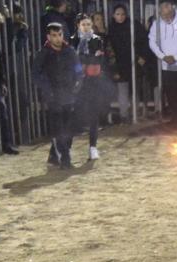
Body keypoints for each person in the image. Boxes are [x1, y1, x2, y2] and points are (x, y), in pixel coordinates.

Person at [33, 23, 80, 169]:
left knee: (69, 128)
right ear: (48, 36)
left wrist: (78, 82)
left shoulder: (70, 51)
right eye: (54, 35)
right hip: (53, 96)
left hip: (69, 94)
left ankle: (55, 156)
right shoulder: (43, 54)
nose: (58, 38)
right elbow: (36, 74)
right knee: (59, 129)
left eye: (59, 35)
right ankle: (65, 158)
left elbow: (78, 68)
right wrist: (47, 89)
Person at [72, 13, 112, 160]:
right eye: (84, 24)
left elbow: (99, 59)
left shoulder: (97, 40)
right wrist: (87, 59)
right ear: (78, 25)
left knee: (94, 114)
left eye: (89, 24)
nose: (87, 27)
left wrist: (84, 61)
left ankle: (93, 147)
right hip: (76, 83)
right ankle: (67, 149)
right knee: (75, 115)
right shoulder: (72, 40)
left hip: (93, 81)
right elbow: (73, 60)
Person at [147, 0, 177, 122]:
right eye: (161, 8)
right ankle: (175, 118)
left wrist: (176, 56)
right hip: (165, 65)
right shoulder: (156, 24)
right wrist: (162, 56)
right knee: (170, 92)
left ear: (172, 8)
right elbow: (152, 42)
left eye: (166, 7)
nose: (163, 11)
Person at [107, 3, 151, 121]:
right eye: (118, 14)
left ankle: (136, 113)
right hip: (120, 64)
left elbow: (144, 41)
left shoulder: (134, 25)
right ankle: (124, 115)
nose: (120, 17)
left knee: (135, 89)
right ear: (113, 15)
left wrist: (142, 56)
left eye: (122, 14)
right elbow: (111, 49)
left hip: (135, 62)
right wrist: (114, 67)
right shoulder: (112, 29)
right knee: (123, 90)